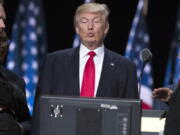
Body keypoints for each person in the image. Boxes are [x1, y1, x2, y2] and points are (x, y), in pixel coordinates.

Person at [32, 3, 139, 134]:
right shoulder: (54, 62)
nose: (90, 27)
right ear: (77, 28)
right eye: (84, 21)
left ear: (106, 28)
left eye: (96, 21)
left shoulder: (126, 67)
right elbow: (40, 111)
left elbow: (132, 117)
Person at [0, 0, 32, 135]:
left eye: (3, 20)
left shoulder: (14, 81)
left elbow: (28, 123)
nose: (2, 25)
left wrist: (18, 128)